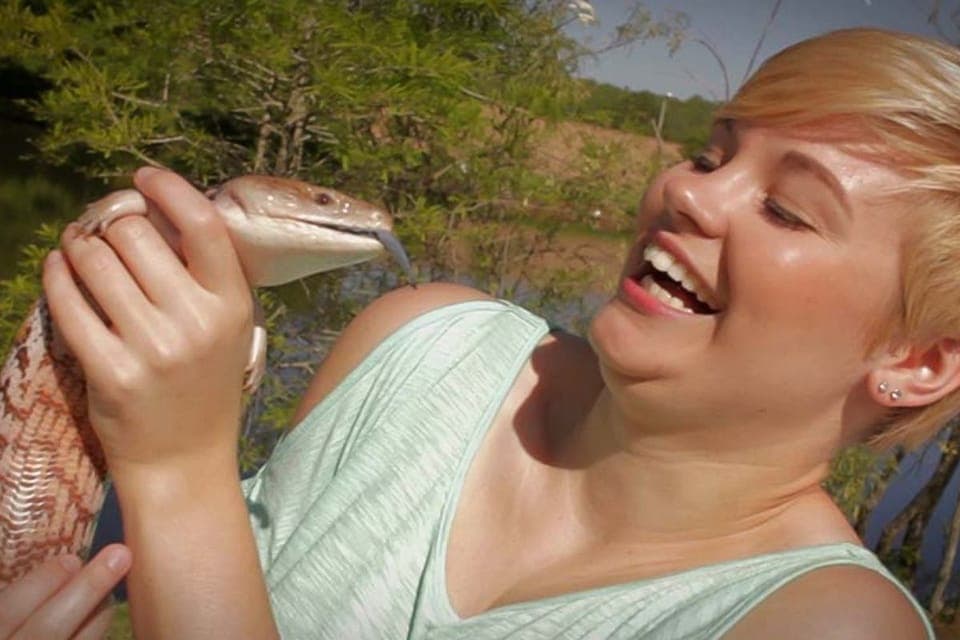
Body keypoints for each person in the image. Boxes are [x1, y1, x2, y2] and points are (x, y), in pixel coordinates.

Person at [3, 26, 958, 639]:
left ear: (917, 361)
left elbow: (187, 515)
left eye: (788, 212)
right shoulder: (420, 341)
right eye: (710, 154)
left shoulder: (826, 624)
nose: (685, 189)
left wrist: (176, 464)